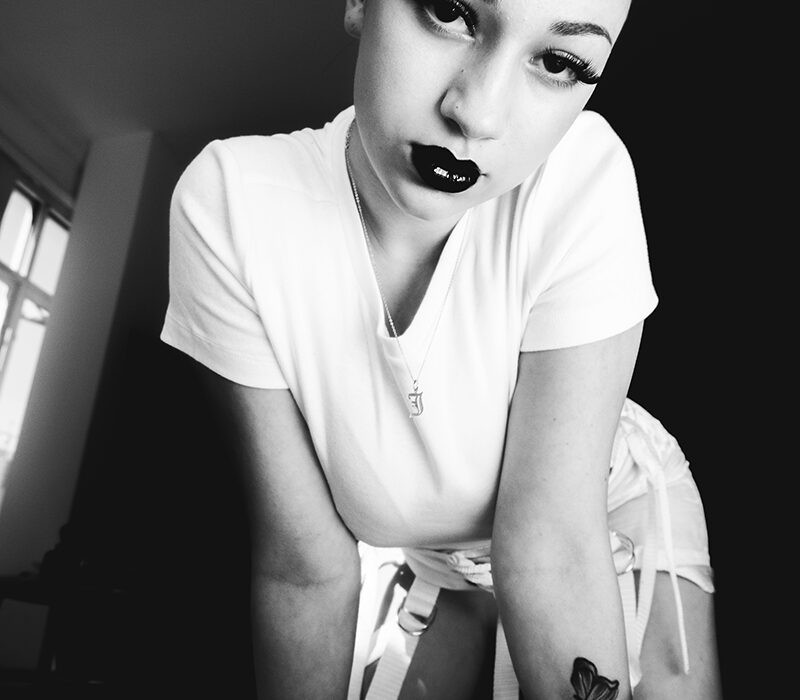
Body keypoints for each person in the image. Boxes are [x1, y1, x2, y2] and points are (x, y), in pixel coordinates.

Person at [160, 0, 722, 698]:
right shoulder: (232, 207)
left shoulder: (579, 177)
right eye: (451, 11)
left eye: (559, 62)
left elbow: (553, 545)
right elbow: (305, 566)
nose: (477, 115)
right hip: (434, 557)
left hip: (604, 518)